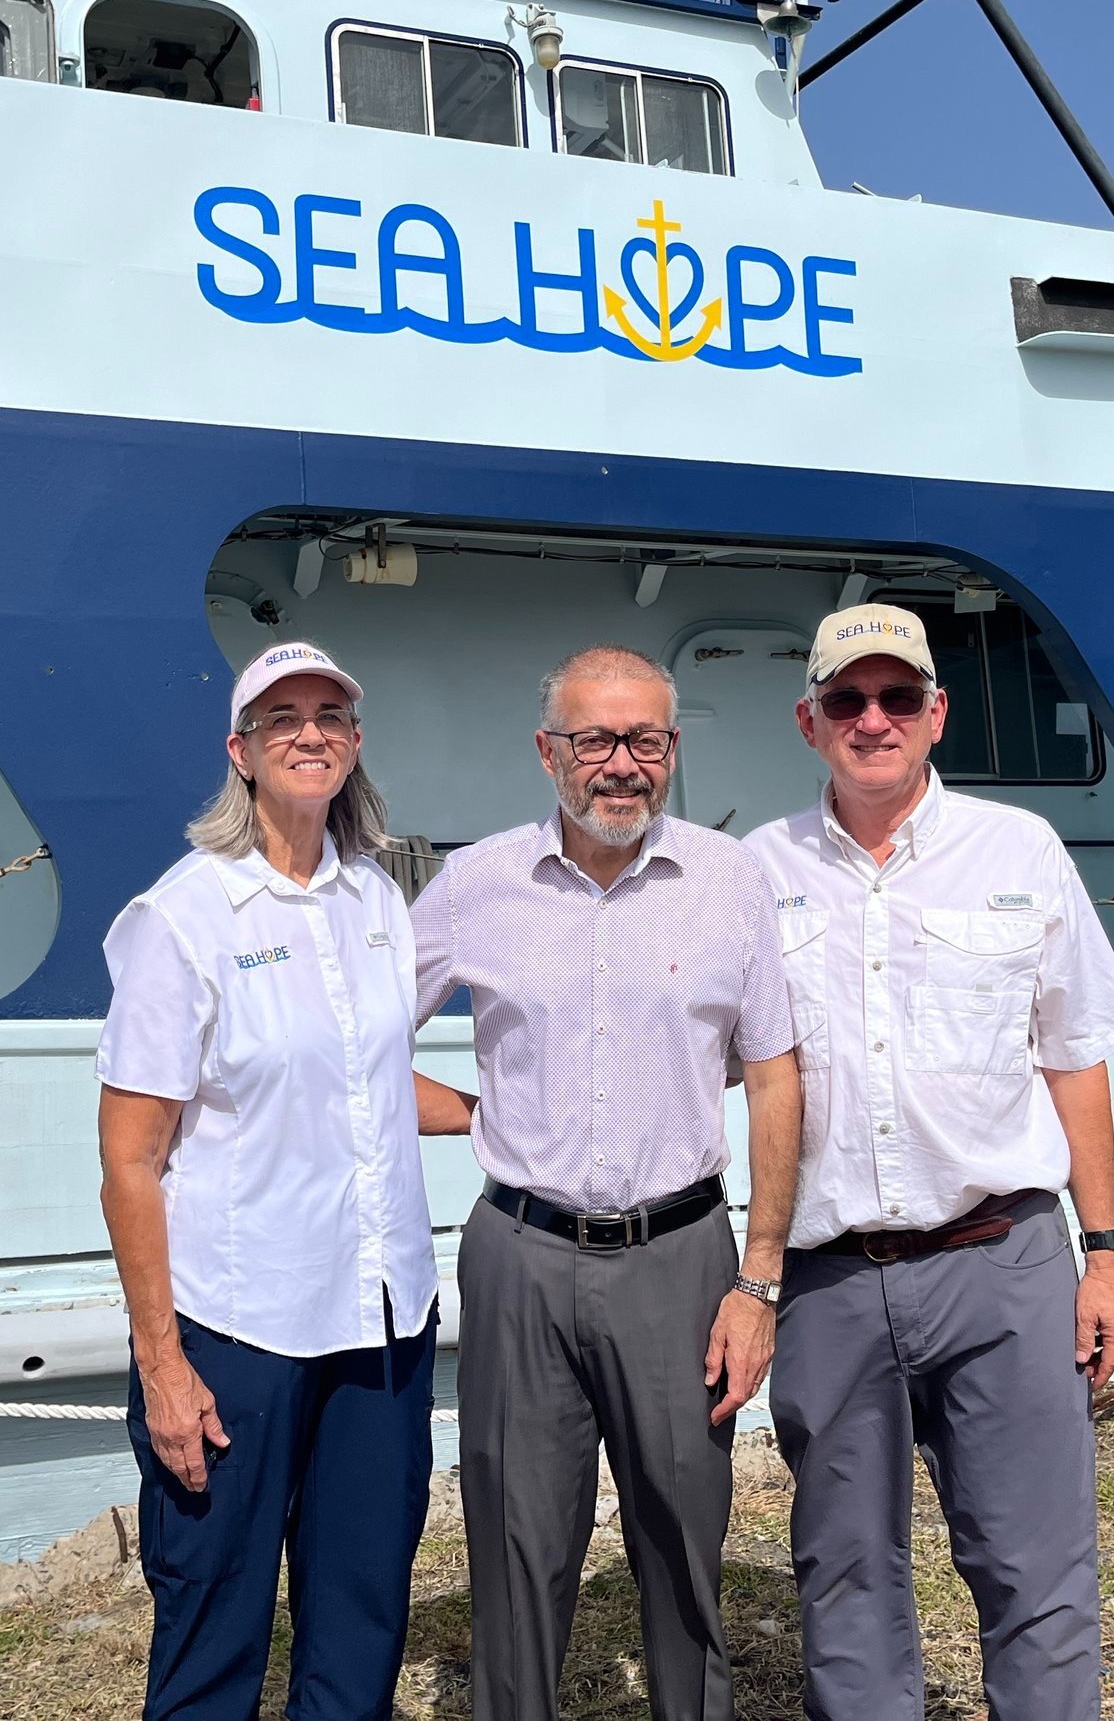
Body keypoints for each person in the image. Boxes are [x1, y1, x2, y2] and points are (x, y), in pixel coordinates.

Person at [744, 603, 1114, 1721]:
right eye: (847, 700)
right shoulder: (753, 872)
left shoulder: (1021, 851)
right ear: (809, 720)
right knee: (845, 1578)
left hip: (1003, 1263)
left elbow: (1074, 1061)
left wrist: (1104, 1254)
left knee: (1035, 1572)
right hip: (827, 1280)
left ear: (937, 715)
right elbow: (701, 1056)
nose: (873, 720)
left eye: (898, 697)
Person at [411, 644, 803, 1721]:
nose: (619, 764)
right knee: (515, 1544)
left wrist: (759, 1278)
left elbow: (775, 1079)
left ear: (672, 752)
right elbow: (348, 1043)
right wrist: (475, 1114)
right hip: (520, 1257)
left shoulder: (730, 884)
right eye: (595, 739)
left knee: (683, 1544)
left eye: (645, 741)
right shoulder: (476, 883)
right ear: (550, 752)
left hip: (682, 1260)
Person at [95, 639, 439, 1721]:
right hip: (240, 1330)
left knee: (362, 1618)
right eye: (281, 716)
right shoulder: (183, 920)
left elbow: (365, 1079)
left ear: (355, 743)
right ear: (239, 750)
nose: (309, 732)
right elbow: (130, 1158)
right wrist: (163, 1365)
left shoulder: (375, 900)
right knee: (214, 1625)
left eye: (330, 714)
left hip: (381, 1318)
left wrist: (502, 1114)